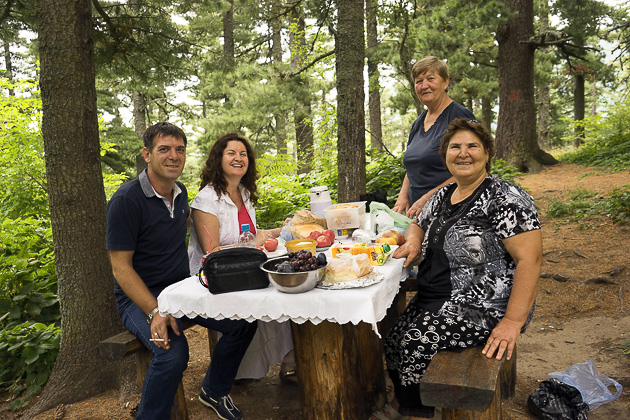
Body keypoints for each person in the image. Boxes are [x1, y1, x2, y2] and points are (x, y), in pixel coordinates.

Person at [370, 119, 542, 420]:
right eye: (455, 147)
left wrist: (512, 322)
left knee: (415, 342)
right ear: (445, 155)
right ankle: (407, 405)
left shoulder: (506, 198)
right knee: (395, 341)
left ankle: (416, 414)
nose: (464, 153)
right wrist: (412, 243)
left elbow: (531, 260)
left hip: (482, 306)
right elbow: (417, 224)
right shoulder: (443, 194)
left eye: (472, 146)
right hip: (437, 298)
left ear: (487, 153)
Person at [106, 122, 257, 420]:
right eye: (164, 149)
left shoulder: (181, 192)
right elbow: (120, 269)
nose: (173, 156)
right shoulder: (126, 200)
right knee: (173, 355)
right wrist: (154, 311)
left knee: (244, 320)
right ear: (147, 154)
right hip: (141, 297)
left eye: (179, 150)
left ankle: (214, 389)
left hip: (181, 289)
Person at [187, 132, 295, 383]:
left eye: (243, 154)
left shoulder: (244, 193)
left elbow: (251, 235)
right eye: (231, 153)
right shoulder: (207, 199)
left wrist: (284, 229)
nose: (238, 158)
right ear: (218, 159)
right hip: (213, 280)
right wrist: (252, 244)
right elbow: (211, 254)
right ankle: (253, 367)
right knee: (272, 293)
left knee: (284, 285)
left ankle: (289, 357)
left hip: (242, 270)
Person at [392, 56, 476, 219]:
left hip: (452, 214)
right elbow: (413, 166)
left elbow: (474, 169)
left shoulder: (460, 117)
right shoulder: (418, 123)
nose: (424, 86)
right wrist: (403, 196)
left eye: (431, 78)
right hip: (418, 216)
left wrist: (429, 198)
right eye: (419, 81)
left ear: (445, 82)